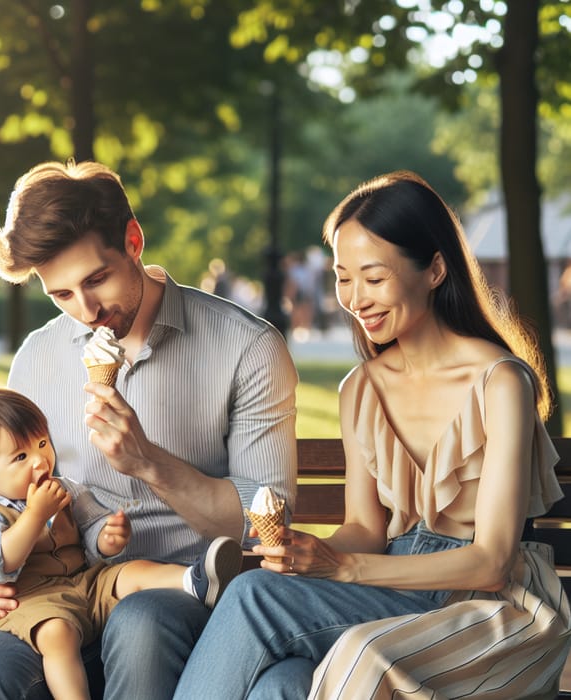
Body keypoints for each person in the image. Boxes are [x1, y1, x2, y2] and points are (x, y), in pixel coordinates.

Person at [173, 170, 571, 700]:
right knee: (285, 681)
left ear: (434, 269)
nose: (355, 299)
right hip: (388, 586)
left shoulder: (500, 382)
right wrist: (309, 552)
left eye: (374, 278)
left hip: (486, 605)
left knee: (256, 598)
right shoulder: (360, 389)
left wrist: (343, 567)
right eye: (342, 277)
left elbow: (493, 560)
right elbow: (364, 527)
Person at [0, 160, 298, 700]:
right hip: (56, 596)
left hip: (179, 591)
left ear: (133, 240)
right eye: (61, 295)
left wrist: (149, 461)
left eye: (96, 279)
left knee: (140, 620)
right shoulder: (37, 356)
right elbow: (2, 481)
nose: (86, 310)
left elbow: (263, 523)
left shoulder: (246, 346)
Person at [0, 385, 243, 700]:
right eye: (21, 456)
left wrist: (107, 538)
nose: (40, 461)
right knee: (57, 636)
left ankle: (198, 580)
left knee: (133, 571)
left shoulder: (65, 489)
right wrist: (35, 516)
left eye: (42, 443)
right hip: (34, 602)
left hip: (83, 582)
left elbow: (91, 522)